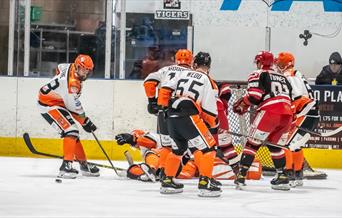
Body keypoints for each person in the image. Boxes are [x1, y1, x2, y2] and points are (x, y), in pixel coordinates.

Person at [157, 51, 221, 197]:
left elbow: (165, 89)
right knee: (209, 148)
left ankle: (167, 181)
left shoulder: (182, 73)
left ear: (194, 64)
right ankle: (205, 183)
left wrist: (162, 107)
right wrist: (213, 123)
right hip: (189, 116)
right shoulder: (209, 81)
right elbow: (209, 108)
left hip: (171, 115)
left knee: (178, 149)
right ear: (209, 66)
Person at [233, 51, 294, 191]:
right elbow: (290, 97)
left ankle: (241, 176)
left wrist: (243, 103)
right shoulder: (283, 77)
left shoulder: (258, 73)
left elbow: (254, 96)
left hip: (270, 112)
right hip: (287, 114)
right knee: (275, 147)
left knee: (252, 143)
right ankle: (282, 177)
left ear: (260, 62)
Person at [37, 54, 99, 179]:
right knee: (71, 130)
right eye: (83, 69)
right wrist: (85, 121)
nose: (85, 73)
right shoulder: (73, 84)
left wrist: (59, 89)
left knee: (73, 134)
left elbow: (60, 68)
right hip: (48, 105)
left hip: (57, 102)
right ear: (77, 67)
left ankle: (83, 164)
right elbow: (73, 108)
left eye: (88, 70)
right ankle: (66, 166)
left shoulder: (69, 66)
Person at [143, 49, 193, 179]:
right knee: (182, 146)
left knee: (166, 145)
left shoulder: (166, 70)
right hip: (182, 114)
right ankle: (169, 173)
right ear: (191, 61)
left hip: (163, 111)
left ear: (176, 60)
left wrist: (151, 101)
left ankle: (160, 169)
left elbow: (149, 81)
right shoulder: (192, 73)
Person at [275, 52, 320, 187]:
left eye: (281, 64)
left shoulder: (289, 76)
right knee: (296, 145)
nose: (278, 67)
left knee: (285, 143)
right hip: (310, 112)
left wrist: (289, 112)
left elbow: (296, 96)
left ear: (288, 64)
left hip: (304, 112)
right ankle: (298, 174)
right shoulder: (297, 74)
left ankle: (289, 174)